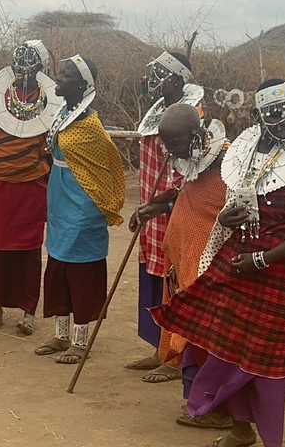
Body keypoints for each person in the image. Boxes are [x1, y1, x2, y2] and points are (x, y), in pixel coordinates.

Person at [151, 79, 285, 447]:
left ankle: (265, 435)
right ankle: (240, 430)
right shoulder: (243, 155)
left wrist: (263, 259)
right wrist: (223, 230)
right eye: (274, 114)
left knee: (266, 359)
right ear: (258, 115)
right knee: (225, 348)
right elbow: (231, 210)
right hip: (238, 263)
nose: (283, 121)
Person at [137, 104, 232, 429]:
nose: (168, 150)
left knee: (206, 338)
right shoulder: (192, 160)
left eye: (173, 143)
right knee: (193, 335)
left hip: (211, 270)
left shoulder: (229, 163)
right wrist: (157, 206)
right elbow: (184, 196)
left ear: (194, 135)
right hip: (184, 263)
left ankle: (215, 409)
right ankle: (199, 404)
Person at [34, 55, 125, 363]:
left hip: (84, 205)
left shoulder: (90, 125)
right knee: (58, 265)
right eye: (60, 73)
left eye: (66, 75)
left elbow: (104, 169)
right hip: (60, 200)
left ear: (83, 85)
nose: (58, 78)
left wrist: (94, 206)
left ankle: (80, 339)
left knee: (81, 270)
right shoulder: (66, 113)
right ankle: (60, 335)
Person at [125, 51, 204, 383]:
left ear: (175, 79)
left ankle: (176, 357)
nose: (151, 79)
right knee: (153, 276)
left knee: (173, 280)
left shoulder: (192, 115)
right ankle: (160, 349)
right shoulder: (155, 111)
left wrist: (161, 202)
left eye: (159, 73)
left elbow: (187, 169)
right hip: (151, 207)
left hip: (173, 207)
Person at [0, 40, 60, 335]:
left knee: (29, 250)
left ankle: (28, 313)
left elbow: (49, 141)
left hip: (31, 184)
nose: (23, 67)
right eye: (18, 60)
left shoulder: (49, 101)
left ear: (40, 67)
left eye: (30, 62)